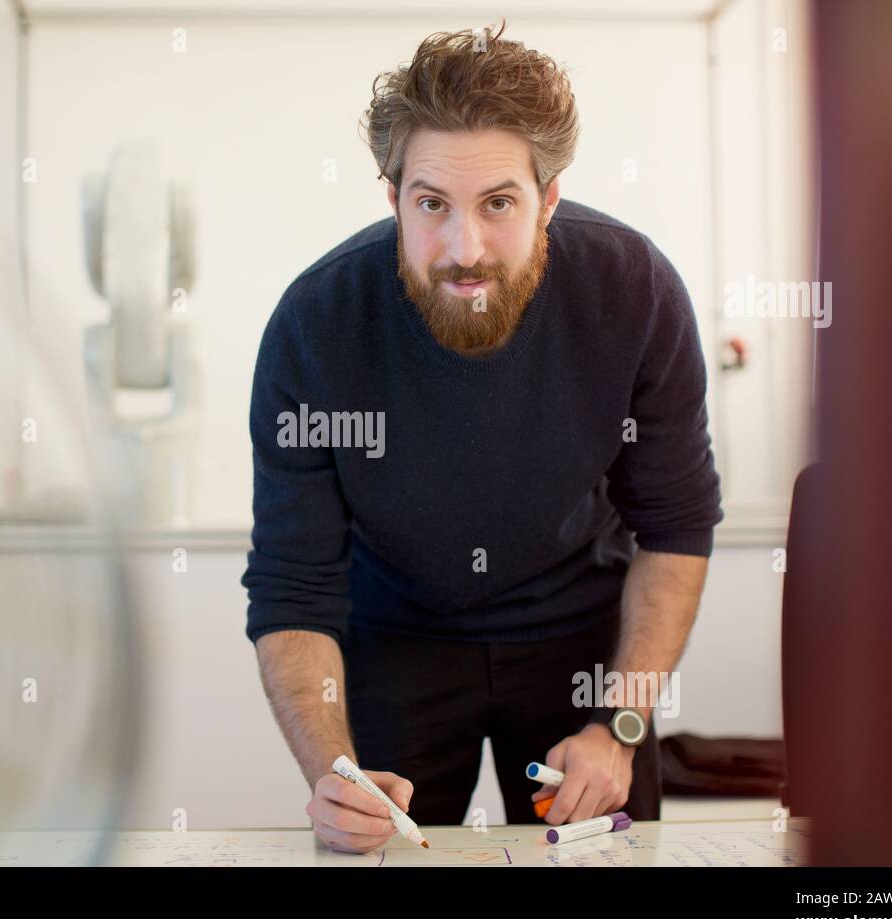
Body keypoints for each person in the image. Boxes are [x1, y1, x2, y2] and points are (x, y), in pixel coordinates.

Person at [242, 22, 722, 854]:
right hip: (395, 640)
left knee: (610, 855)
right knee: (372, 845)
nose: (464, 251)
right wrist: (335, 772)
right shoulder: (314, 326)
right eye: (432, 204)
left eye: (498, 203)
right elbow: (292, 582)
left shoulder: (634, 292)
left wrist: (625, 723)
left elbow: (676, 526)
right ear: (392, 198)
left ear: (550, 199)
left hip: (583, 642)